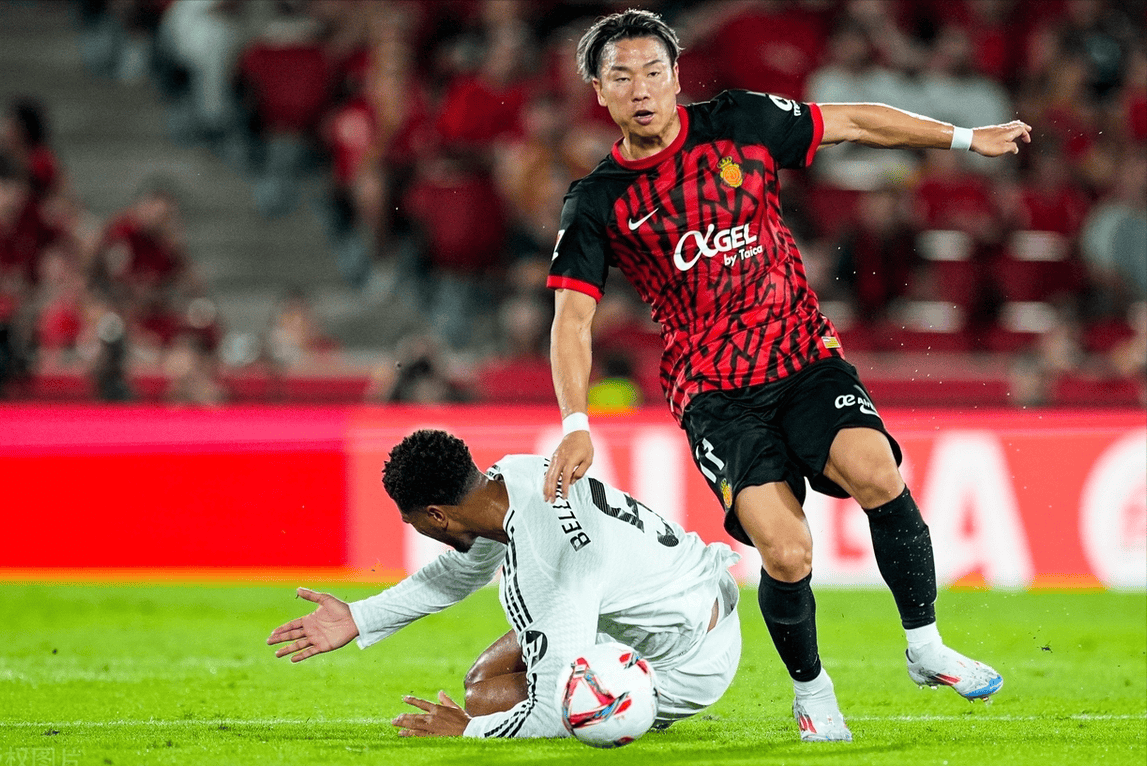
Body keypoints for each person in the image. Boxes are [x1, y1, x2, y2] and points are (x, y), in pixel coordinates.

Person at [545, 9, 1029, 743]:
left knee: (877, 473)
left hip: (802, 357)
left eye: (652, 71)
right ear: (598, 90)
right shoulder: (598, 201)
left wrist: (965, 139)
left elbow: (854, 122)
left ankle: (926, 647)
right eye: (621, 77)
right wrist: (576, 423)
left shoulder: (741, 122)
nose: (640, 88)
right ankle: (812, 692)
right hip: (715, 394)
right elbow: (571, 320)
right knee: (786, 550)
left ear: (676, 77)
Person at [267, 428, 742, 739]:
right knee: (482, 686)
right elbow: (464, 570)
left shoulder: (547, 571)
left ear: (437, 516)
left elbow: (549, 714)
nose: (419, 530)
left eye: (415, 522)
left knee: (489, 706)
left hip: (690, 663)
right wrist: (360, 616)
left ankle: (632, 704)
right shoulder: (515, 475)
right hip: (682, 597)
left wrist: (466, 731)